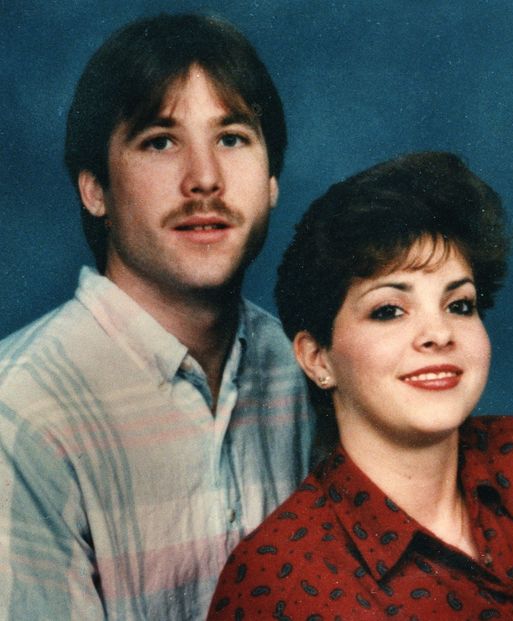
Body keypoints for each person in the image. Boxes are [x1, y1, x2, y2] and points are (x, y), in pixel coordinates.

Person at [207, 151, 513, 620]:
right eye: (389, 310)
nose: (439, 333)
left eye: (460, 305)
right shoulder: (278, 583)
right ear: (316, 358)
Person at [0, 14, 312, 620]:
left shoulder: (293, 364)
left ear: (272, 180)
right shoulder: (22, 412)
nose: (204, 180)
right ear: (95, 189)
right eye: (160, 141)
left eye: (232, 138)